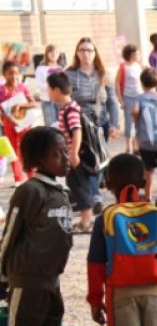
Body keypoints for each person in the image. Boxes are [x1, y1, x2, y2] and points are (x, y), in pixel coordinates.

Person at [86, 153, 157, 326]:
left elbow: (95, 264)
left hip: (121, 296)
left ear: (108, 185)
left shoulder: (105, 218)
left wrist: (96, 301)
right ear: (145, 182)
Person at [0, 126, 72, 326]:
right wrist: (2, 276)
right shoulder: (30, 191)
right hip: (27, 281)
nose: (66, 158)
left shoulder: (59, 192)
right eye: (57, 153)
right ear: (39, 159)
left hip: (51, 282)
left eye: (66, 151)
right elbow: (9, 235)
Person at [66, 37, 120, 217]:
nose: (86, 54)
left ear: (95, 53)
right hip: (79, 123)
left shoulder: (103, 73)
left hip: (100, 121)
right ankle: (92, 197)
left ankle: (94, 195)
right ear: (77, 53)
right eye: (82, 50)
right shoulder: (70, 74)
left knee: (99, 161)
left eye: (89, 50)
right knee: (82, 161)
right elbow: (65, 100)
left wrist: (114, 124)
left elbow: (112, 101)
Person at [47, 71, 94, 233]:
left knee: (80, 186)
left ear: (57, 91)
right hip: (72, 155)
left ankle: (86, 222)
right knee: (75, 185)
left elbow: (77, 131)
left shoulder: (70, 110)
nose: (48, 93)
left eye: (49, 89)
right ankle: (84, 219)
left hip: (77, 157)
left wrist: (73, 153)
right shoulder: (67, 108)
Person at [132, 68, 157, 202]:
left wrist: (137, 126)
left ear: (142, 83)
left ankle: (148, 199)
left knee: (147, 172)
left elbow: (135, 111)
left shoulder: (140, 98)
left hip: (145, 141)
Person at [0, 61, 37, 185]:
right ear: (4, 74)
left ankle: (32, 175)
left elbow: (33, 103)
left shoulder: (22, 87)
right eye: (10, 73)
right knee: (13, 151)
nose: (14, 76)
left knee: (27, 148)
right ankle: (18, 178)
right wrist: (5, 115)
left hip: (24, 124)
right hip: (9, 125)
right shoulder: (1, 90)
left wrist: (21, 104)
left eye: (16, 73)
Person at [115, 44, 143, 154]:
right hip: (128, 98)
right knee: (128, 123)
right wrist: (120, 100)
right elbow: (117, 83)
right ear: (131, 54)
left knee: (139, 123)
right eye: (137, 53)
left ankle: (138, 147)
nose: (138, 55)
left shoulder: (139, 66)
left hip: (139, 97)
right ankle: (128, 147)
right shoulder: (123, 67)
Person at [35, 45, 63, 126]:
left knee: (61, 124)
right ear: (47, 53)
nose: (54, 54)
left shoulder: (61, 68)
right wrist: (52, 85)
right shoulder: (40, 69)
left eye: (56, 52)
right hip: (47, 101)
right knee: (50, 125)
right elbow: (39, 84)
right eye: (51, 52)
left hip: (60, 101)